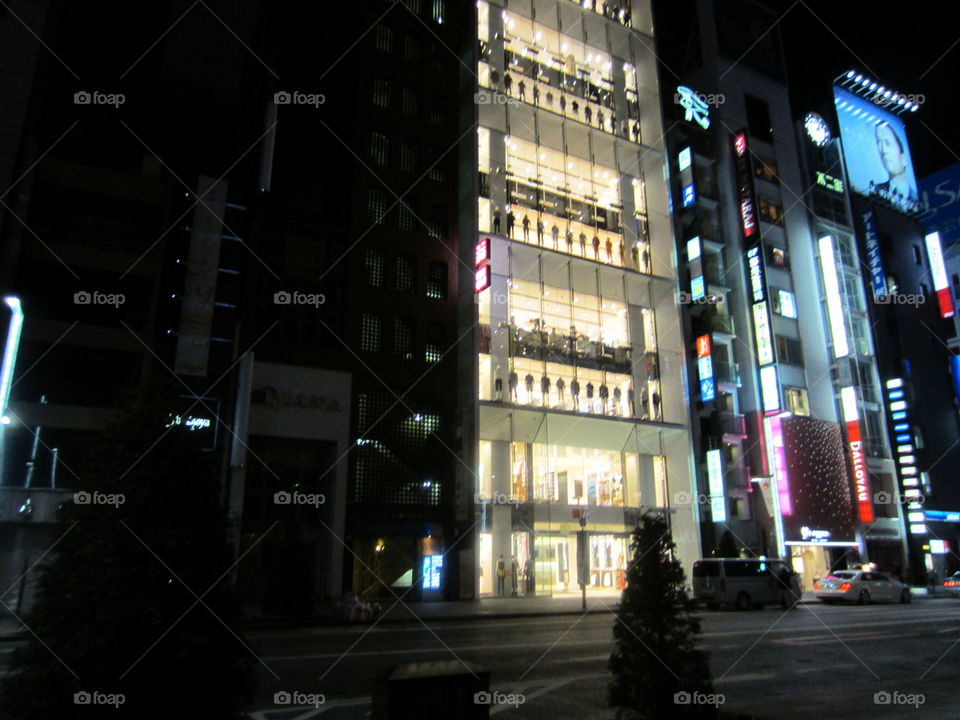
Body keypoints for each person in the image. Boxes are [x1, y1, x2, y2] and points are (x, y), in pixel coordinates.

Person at [872, 120, 917, 205]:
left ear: (903, 158)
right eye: (879, 143)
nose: (883, 150)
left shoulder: (917, 199)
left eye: (888, 143)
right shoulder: (875, 192)